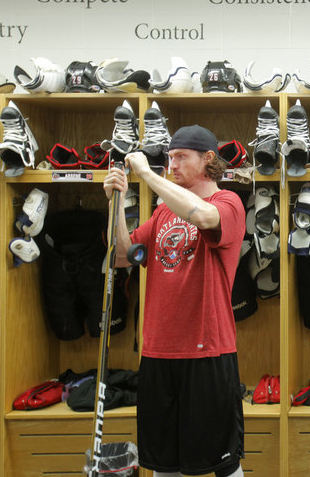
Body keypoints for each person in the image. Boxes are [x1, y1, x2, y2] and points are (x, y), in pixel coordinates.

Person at [103, 124, 246, 477]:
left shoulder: (228, 203)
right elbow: (123, 256)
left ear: (208, 159)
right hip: (158, 352)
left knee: (222, 463)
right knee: (163, 463)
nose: (173, 164)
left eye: (181, 157)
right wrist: (116, 203)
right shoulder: (162, 213)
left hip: (207, 352)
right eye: (169, 157)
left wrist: (147, 174)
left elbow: (200, 216)